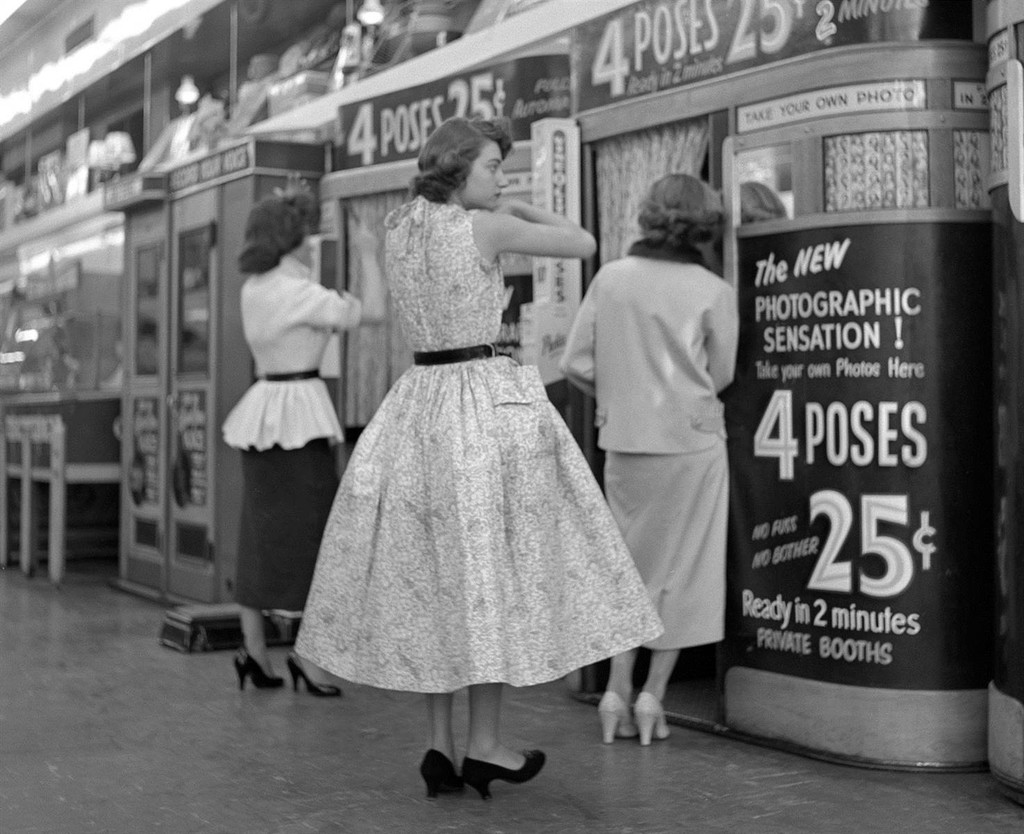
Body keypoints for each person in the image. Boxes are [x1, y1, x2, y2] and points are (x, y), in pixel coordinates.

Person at [295, 117, 662, 799]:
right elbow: (582, 242)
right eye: (495, 166)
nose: (502, 178)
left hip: (417, 403)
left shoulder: (399, 226)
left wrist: (499, 200)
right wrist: (518, 209)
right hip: (480, 404)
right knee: (486, 570)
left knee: (433, 578)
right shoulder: (486, 227)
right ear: (460, 168)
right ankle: (486, 745)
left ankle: (440, 748)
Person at [560, 174, 738, 746]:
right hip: (692, 443)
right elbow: (724, 374)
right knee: (686, 572)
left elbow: (575, 363)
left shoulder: (611, 279)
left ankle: (614, 688)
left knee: (626, 567)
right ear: (706, 223)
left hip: (625, 440)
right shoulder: (712, 289)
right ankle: (652, 698)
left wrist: (619, 396)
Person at [222, 190, 363, 697]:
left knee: (258, 533)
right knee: (315, 535)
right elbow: (359, 315)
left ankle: (254, 649)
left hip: (263, 412)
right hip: (299, 414)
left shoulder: (256, 288)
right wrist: (366, 255)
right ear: (292, 237)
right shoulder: (296, 291)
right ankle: (308, 656)